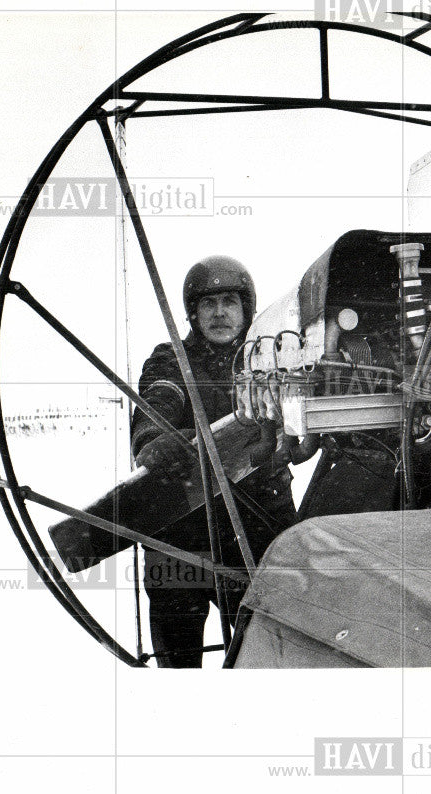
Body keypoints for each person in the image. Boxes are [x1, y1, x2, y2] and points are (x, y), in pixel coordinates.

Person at [130, 255, 297, 668]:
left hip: (257, 517)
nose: (220, 312)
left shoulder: (270, 359)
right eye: (209, 304)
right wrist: (157, 437)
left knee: (265, 652)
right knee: (177, 643)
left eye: (229, 301)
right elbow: (159, 398)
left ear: (246, 309)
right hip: (185, 527)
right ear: (193, 313)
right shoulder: (174, 360)